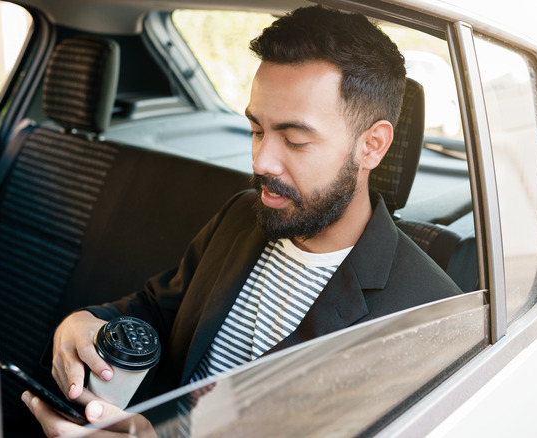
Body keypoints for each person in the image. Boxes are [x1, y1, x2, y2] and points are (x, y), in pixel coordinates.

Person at [23, 5, 461, 435]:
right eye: (256, 130)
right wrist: (82, 323)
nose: (261, 161)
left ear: (372, 146)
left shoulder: (429, 318)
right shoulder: (242, 216)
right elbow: (159, 309)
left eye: (294, 139)